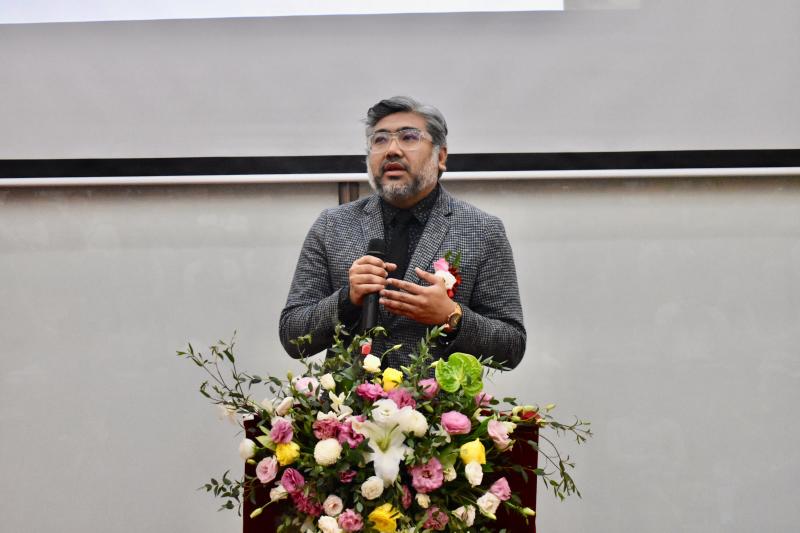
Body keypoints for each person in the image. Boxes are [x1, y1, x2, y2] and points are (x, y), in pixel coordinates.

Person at [279, 96, 525, 369]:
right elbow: (292, 335)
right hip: (349, 397)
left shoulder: (482, 230)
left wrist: (451, 316)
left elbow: (511, 347)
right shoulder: (332, 225)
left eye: (409, 137)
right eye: (380, 140)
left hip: (437, 397)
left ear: (441, 156)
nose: (392, 150)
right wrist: (347, 300)